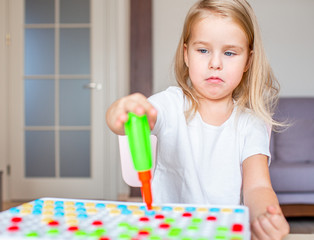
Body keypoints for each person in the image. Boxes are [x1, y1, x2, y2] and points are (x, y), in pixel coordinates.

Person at [106, 0, 290, 239]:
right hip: (166, 232)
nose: (215, 63)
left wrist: (266, 215)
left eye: (230, 52)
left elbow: (258, 186)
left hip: (221, 232)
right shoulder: (170, 104)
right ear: (186, 54)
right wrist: (122, 110)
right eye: (203, 50)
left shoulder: (250, 122)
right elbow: (119, 124)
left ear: (248, 61)